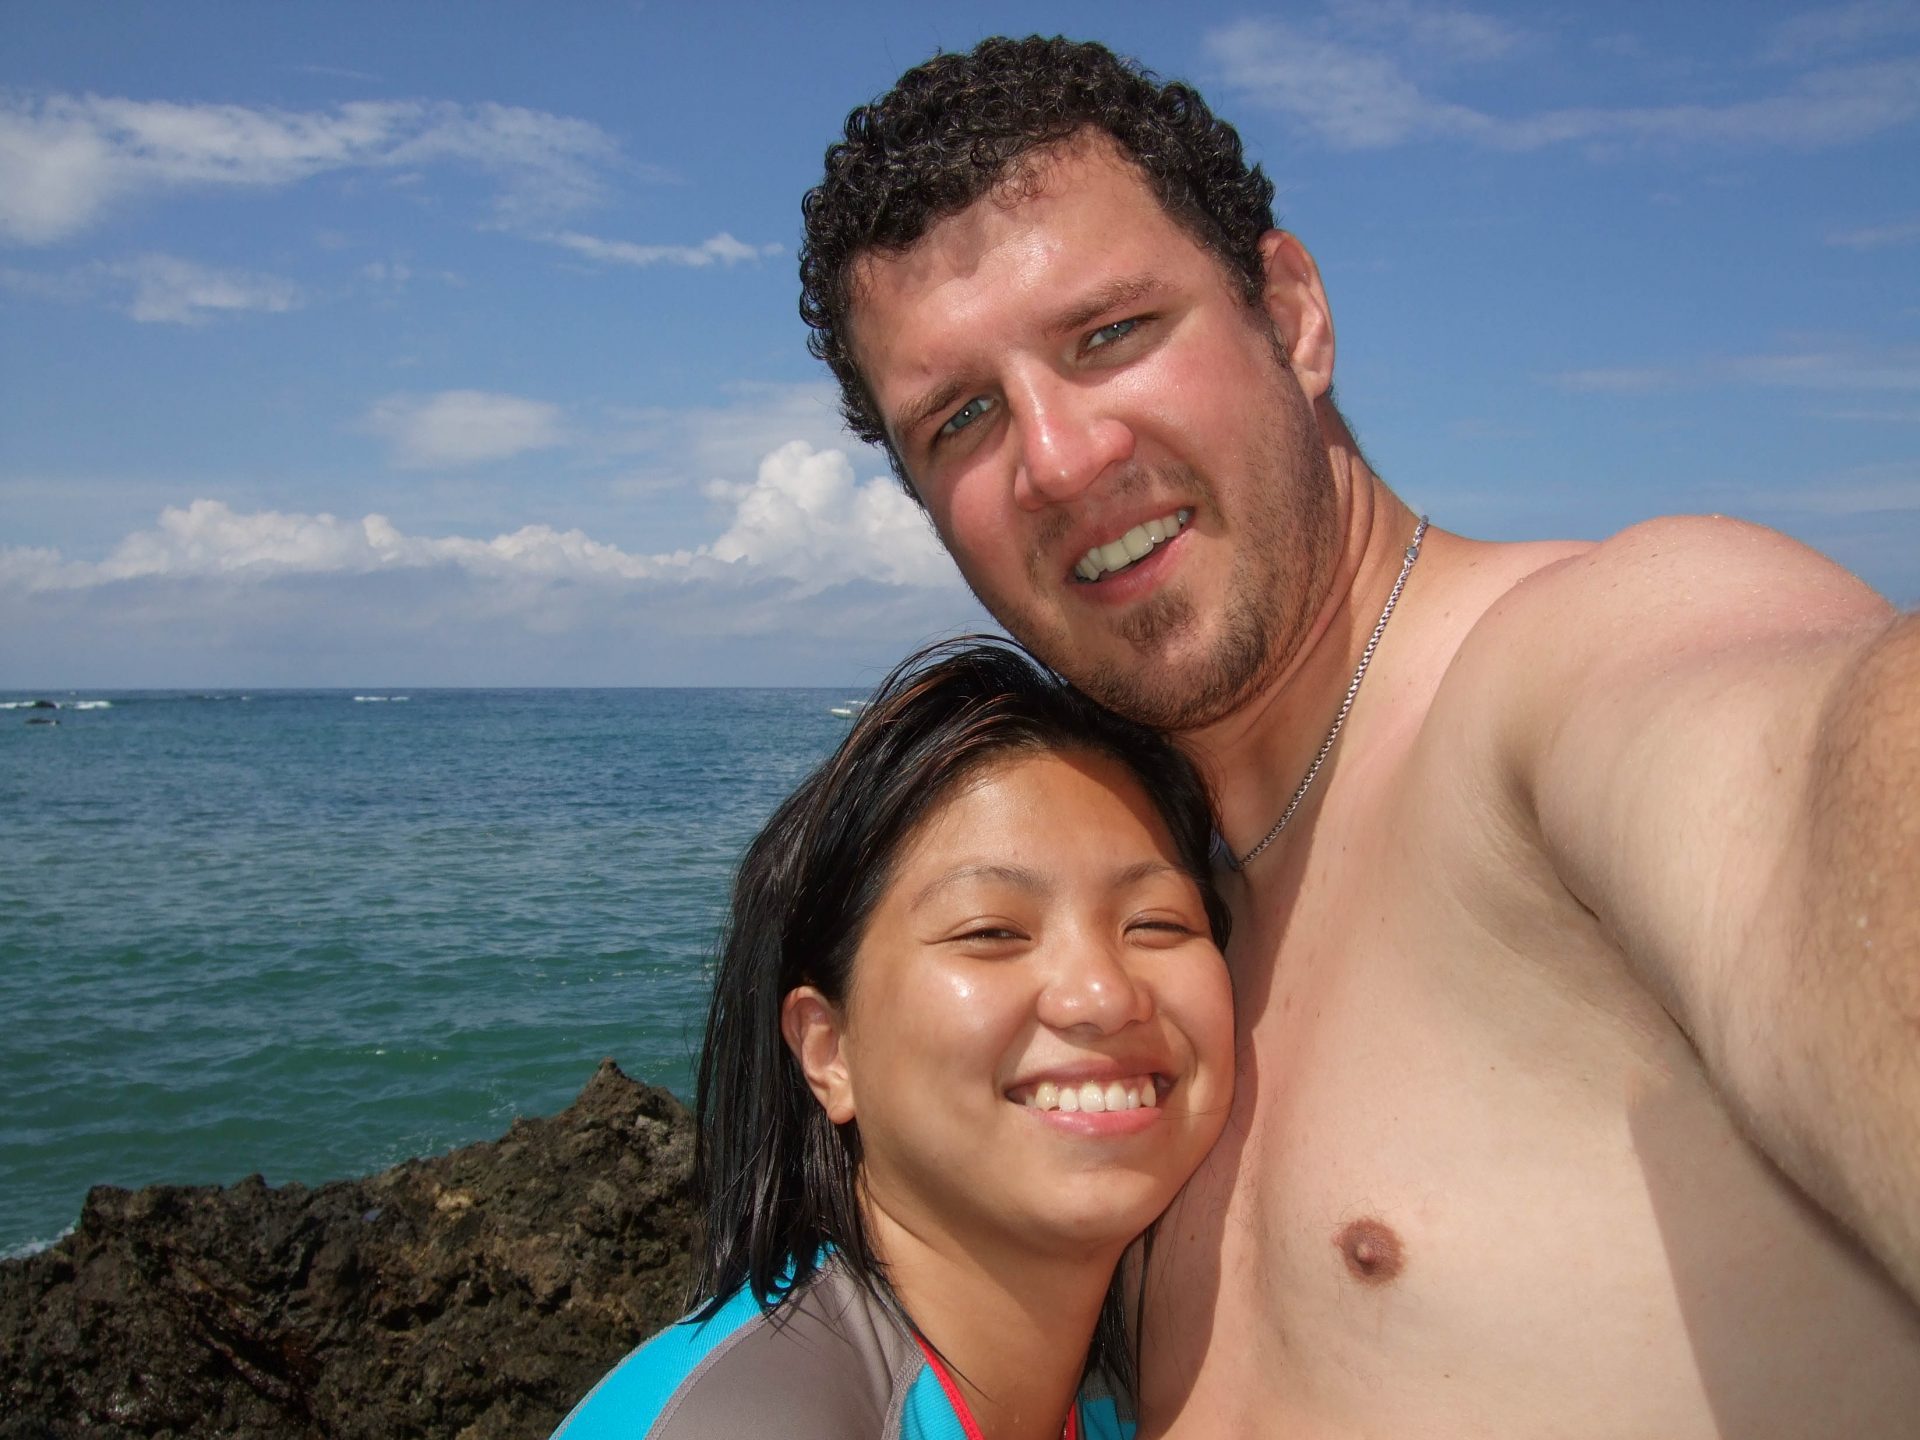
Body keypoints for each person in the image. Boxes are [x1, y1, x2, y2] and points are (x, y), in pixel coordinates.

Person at [797, 35, 1920, 1438]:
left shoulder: (1569, 672)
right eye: (961, 419)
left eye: (1112, 335)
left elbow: (1824, 783)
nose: (1063, 460)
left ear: (1294, 312)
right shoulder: (1156, 938)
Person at [552, 639, 1234, 1440]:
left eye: (1156, 922)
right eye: (991, 931)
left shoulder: (1124, 1398)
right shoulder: (750, 1420)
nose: (1103, 995)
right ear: (827, 1050)